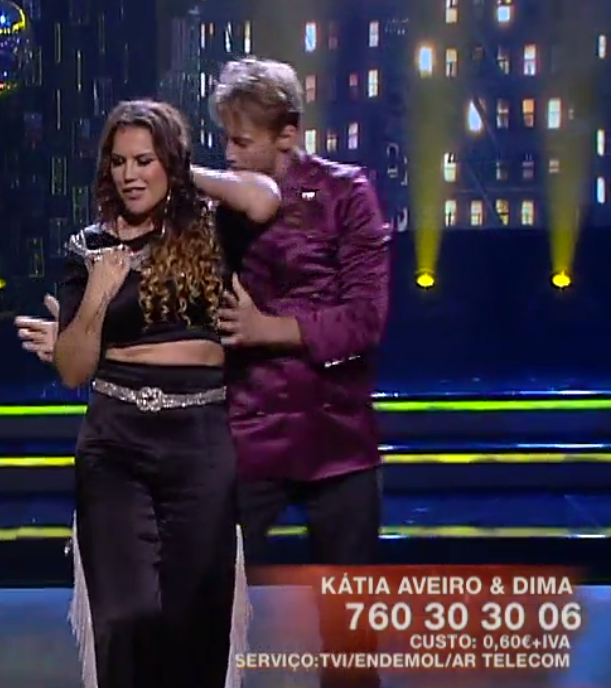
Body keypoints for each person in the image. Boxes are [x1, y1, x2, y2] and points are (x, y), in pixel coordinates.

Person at [46, 99, 280, 688]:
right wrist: (98, 294)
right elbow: (72, 371)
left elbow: (264, 198)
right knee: (126, 617)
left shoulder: (210, 228)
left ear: (169, 162)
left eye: (144, 160)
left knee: (195, 620)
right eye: (119, 161)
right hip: (115, 442)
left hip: (198, 440)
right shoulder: (89, 246)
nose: (130, 175)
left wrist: (181, 172)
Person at [210, 56, 391, 688]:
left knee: (349, 638)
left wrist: (267, 330)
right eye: (225, 139)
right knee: (207, 609)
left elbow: (365, 320)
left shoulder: (349, 194)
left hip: (338, 437)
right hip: (248, 433)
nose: (229, 153)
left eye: (242, 141)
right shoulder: (223, 205)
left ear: (288, 133)